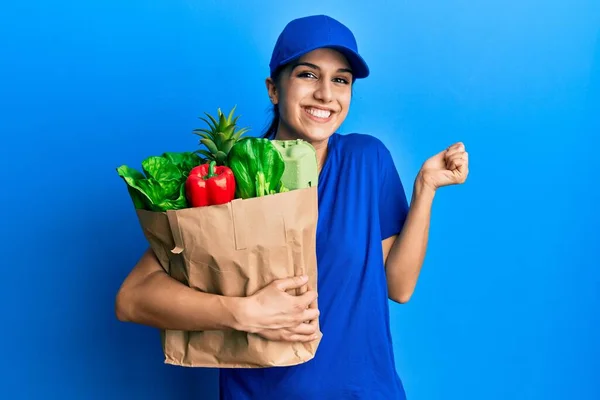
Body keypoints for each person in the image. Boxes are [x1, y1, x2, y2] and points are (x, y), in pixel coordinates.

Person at [115, 14, 469, 400]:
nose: (325, 95)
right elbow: (133, 298)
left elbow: (398, 286)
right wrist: (245, 312)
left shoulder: (368, 161)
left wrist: (425, 190)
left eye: (340, 80)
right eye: (307, 74)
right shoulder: (233, 179)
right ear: (273, 88)